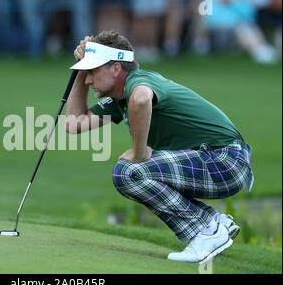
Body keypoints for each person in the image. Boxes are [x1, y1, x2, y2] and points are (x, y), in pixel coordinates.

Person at [65, 30, 254, 263]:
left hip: (225, 161)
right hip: (219, 161)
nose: (88, 80)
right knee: (132, 172)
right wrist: (81, 67)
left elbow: (142, 99)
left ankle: (205, 231)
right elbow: (74, 124)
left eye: (92, 72)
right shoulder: (119, 98)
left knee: (129, 172)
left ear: (115, 68)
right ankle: (211, 223)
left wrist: (139, 151)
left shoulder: (139, 81)